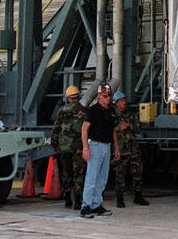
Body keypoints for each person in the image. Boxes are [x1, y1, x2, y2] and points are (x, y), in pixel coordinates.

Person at [79, 82, 120, 218]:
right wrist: (85, 147)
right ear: (99, 96)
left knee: (102, 178)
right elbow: (85, 129)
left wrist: (116, 147)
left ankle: (96, 204)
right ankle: (86, 206)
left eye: (109, 95)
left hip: (106, 146)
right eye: (104, 96)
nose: (107, 98)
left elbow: (113, 130)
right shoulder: (92, 110)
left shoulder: (111, 111)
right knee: (92, 177)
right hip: (95, 145)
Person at [50, 85, 87, 210]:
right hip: (79, 146)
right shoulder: (84, 110)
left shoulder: (62, 110)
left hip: (65, 146)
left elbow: (56, 128)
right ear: (78, 96)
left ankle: (67, 199)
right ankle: (77, 200)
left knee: (67, 172)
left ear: (68, 97)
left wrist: (54, 143)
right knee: (79, 172)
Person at [112, 92, 148, 207]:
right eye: (121, 101)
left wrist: (129, 126)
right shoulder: (112, 115)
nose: (124, 103)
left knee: (137, 171)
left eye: (125, 100)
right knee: (120, 174)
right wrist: (118, 128)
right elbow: (107, 130)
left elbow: (138, 129)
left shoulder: (130, 115)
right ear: (116, 103)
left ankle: (138, 195)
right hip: (121, 149)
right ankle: (120, 198)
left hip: (133, 148)